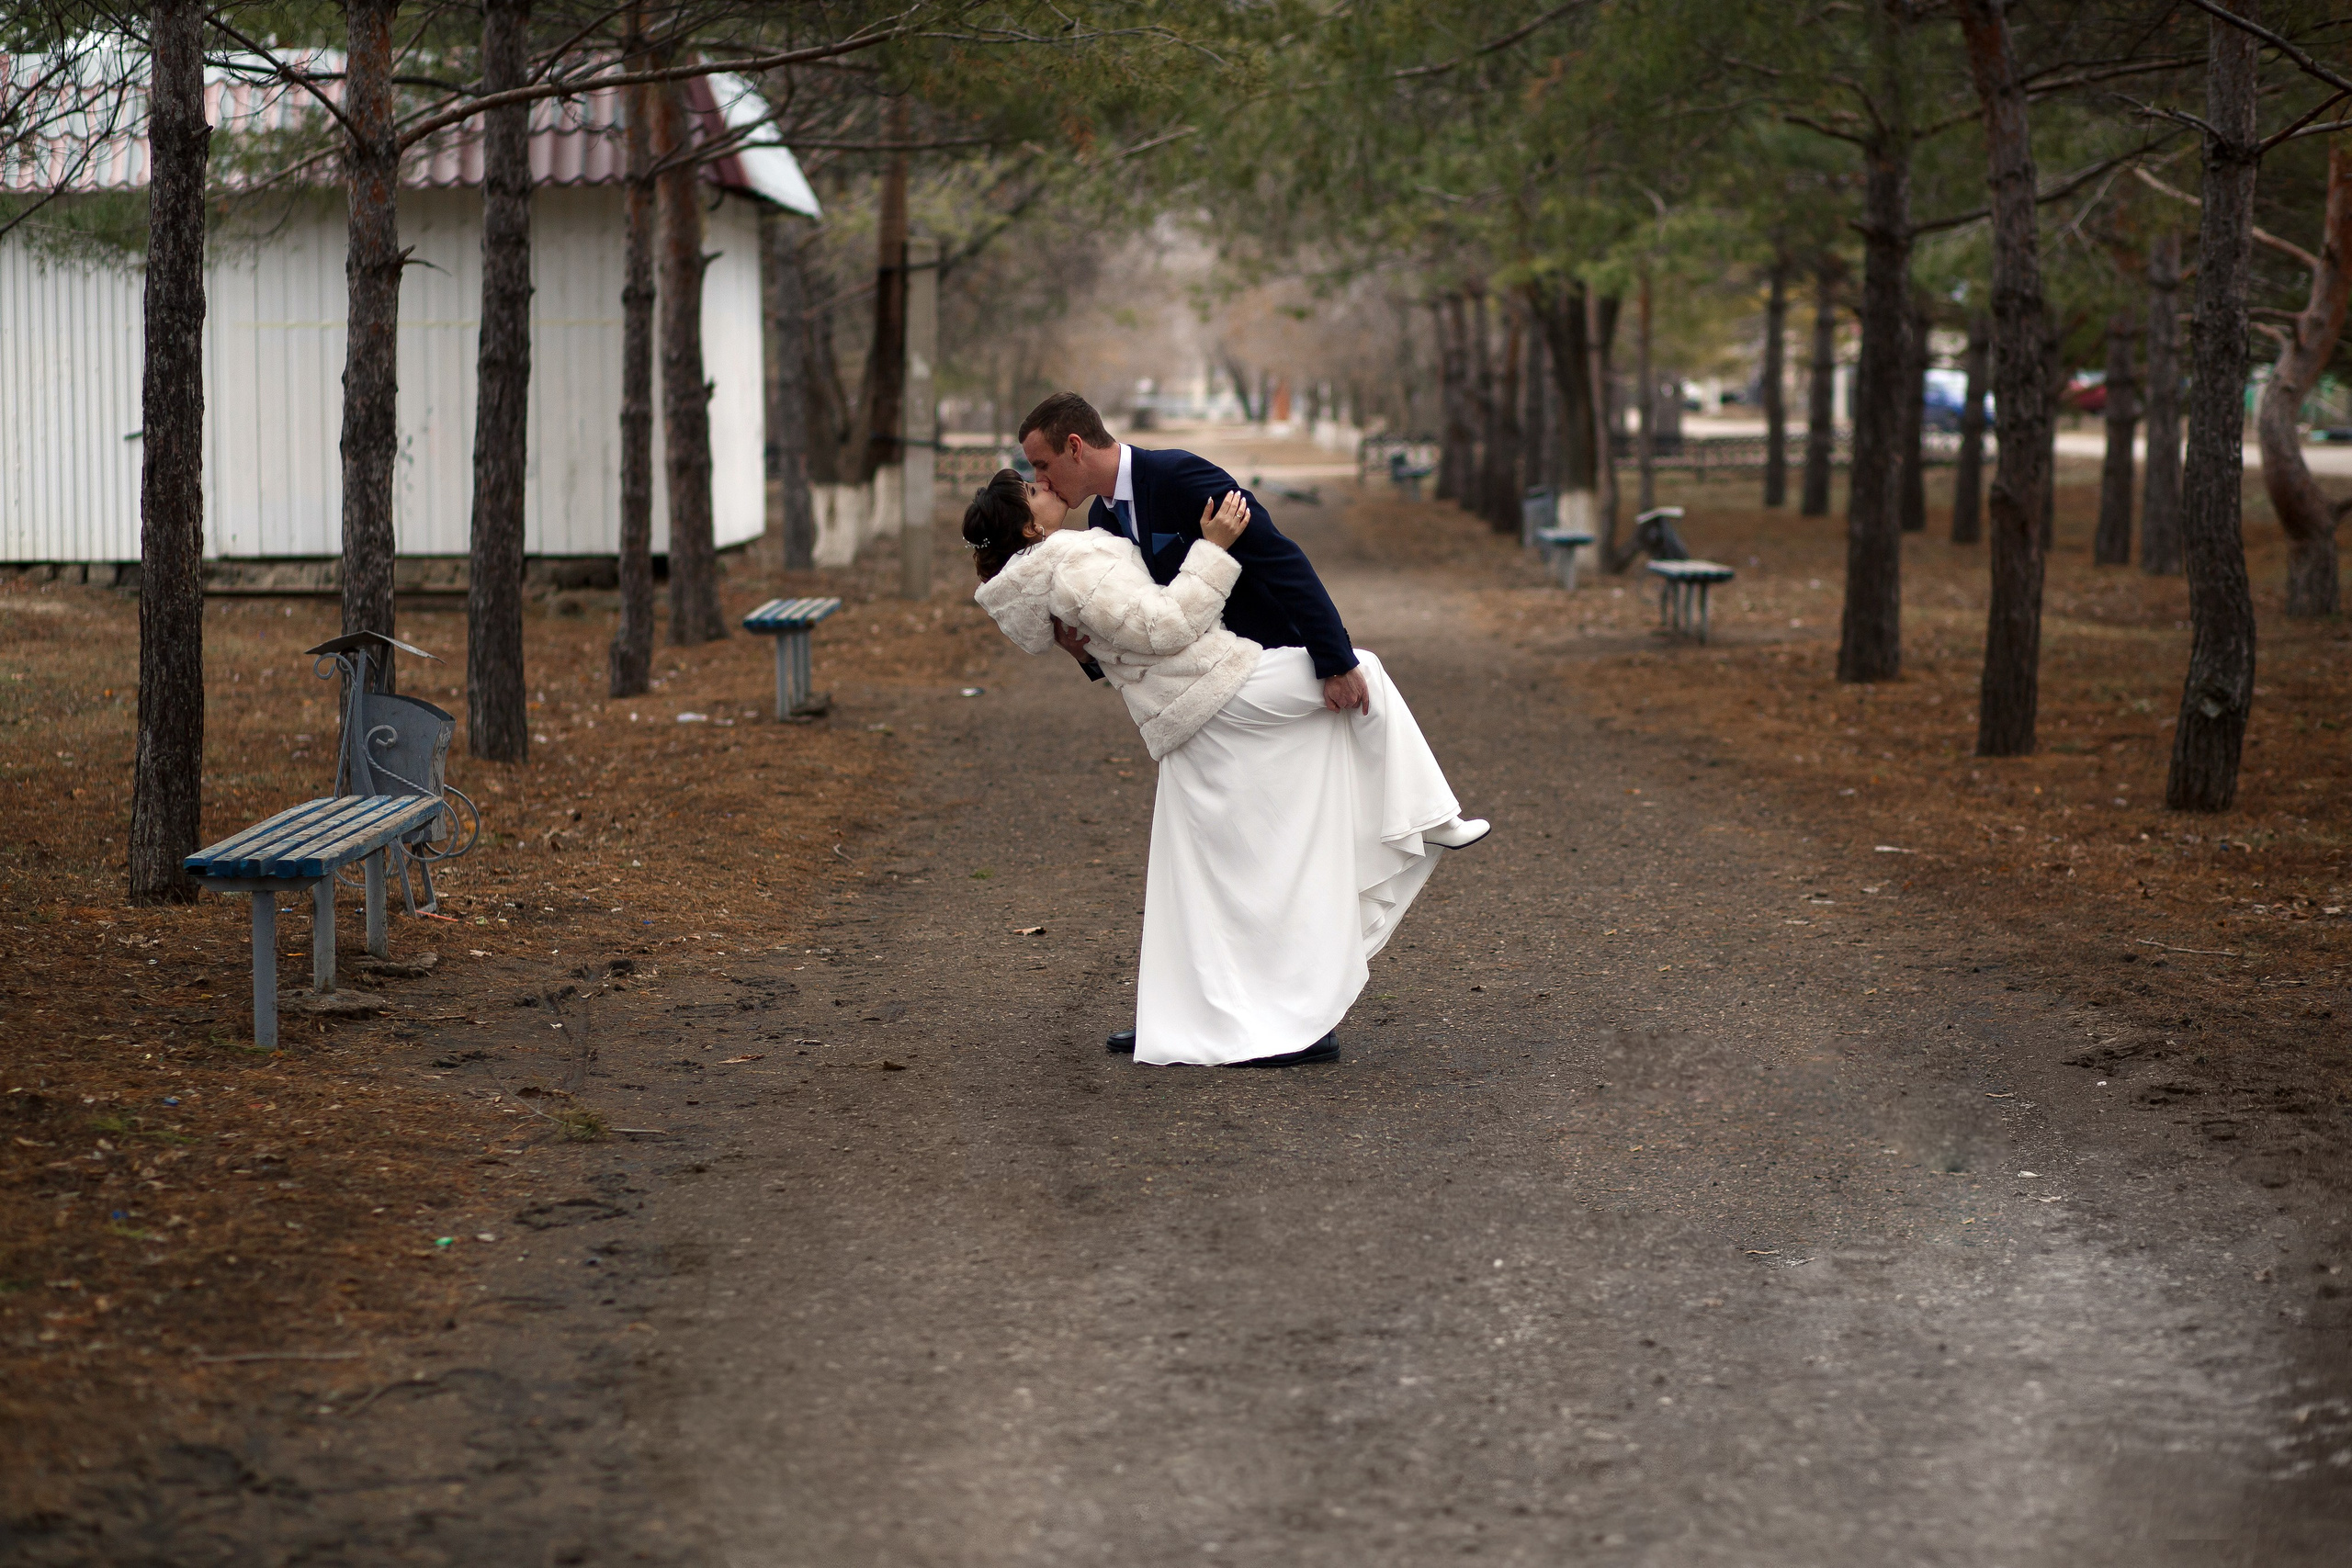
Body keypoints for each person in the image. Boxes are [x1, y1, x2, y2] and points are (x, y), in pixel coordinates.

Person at [964, 447, 1488, 1069]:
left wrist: (1086, 653)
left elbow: (1113, 635)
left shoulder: (1061, 557)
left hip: (1176, 708)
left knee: (1197, 877)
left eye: (1039, 470)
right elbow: (1163, 627)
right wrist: (1212, 549)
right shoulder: (1070, 561)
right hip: (1212, 685)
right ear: (1029, 526)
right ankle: (1427, 817)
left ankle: (1182, 1016)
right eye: (1031, 487)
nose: (1042, 482)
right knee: (1361, 669)